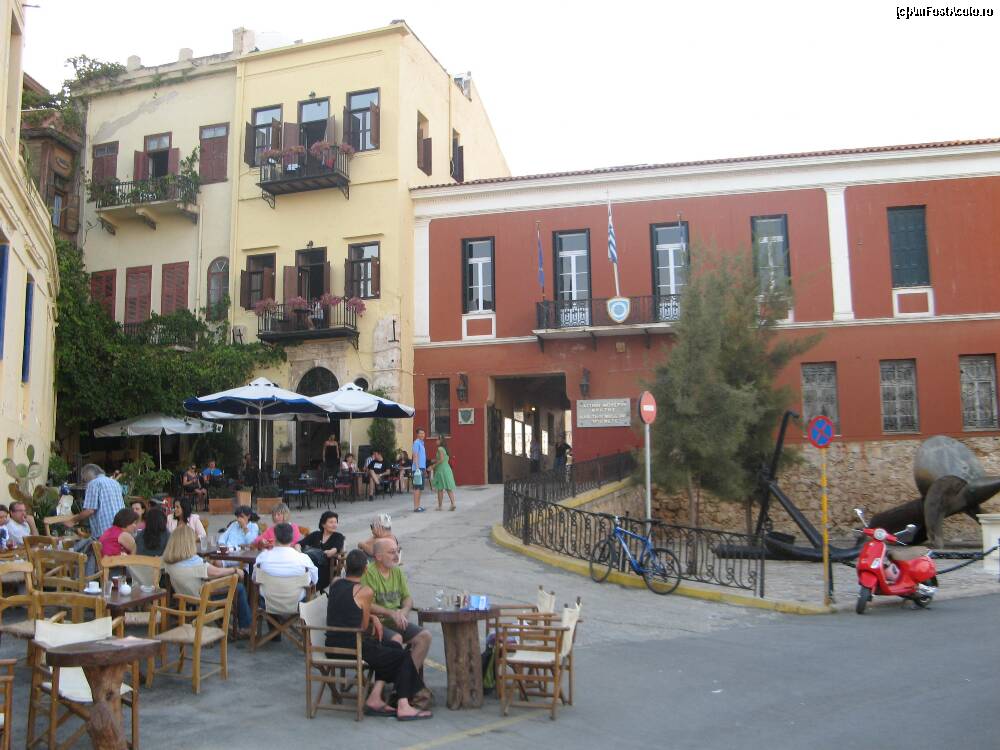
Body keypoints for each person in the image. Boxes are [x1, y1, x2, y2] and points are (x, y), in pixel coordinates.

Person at [327, 549, 432, 721]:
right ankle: (404, 705)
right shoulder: (364, 592)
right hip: (353, 646)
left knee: (392, 646)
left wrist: (373, 617)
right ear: (365, 569)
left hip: (331, 644)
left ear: (346, 567)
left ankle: (375, 698)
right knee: (403, 656)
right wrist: (372, 619)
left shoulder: (335, 583)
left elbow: (349, 610)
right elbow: (363, 627)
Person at [163, 525, 251, 636]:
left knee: (222, 584)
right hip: (203, 596)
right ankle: (245, 627)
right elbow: (216, 572)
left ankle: (220, 622)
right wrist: (235, 570)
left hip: (183, 594)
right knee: (239, 588)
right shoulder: (194, 561)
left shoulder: (168, 561)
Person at [360, 537, 431, 670]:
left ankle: (406, 677)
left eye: (398, 551)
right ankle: (398, 678)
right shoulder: (369, 573)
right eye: (392, 552)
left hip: (396, 621)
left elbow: (407, 598)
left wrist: (403, 612)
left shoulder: (397, 571)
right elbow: (367, 604)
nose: (397, 555)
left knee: (425, 636)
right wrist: (391, 613)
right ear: (379, 557)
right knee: (396, 639)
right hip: (374, 624)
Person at [254, 522, 318, 597]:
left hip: (268, 599)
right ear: (292, 538)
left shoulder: (263, 557)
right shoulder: (303, 558)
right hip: (296, 599)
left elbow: (255, 577)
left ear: (275, 538)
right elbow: (315, 579)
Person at [65, 464, 125, 541]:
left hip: (106, 531)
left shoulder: (93, 483)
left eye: (84, 479)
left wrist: (72, 521)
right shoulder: (115, 483)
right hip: (121, 528)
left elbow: (90, 510)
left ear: (87, 475)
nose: (85, 481)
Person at [300, 511, 344, 591]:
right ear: (323, 524)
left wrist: (330, 552)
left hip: (325, 569)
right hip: (309, 565)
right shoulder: (316, 534)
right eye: (331, 522)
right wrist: (298, 552)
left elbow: (335, 549)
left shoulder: (338, 536)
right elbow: (299, 544)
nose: (334, 525)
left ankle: (308, 589)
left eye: (335, 522)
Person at [431, 436, 457, 512]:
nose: (436, 441)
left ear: (441, 441)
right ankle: (453, 504)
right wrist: (435, 460)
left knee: (440, 488)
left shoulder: (440, 449)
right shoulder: (445, 449)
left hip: (441, 470)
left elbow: (441, 459)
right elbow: (444, 458)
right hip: (447, 469)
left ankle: (440, 506)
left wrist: (433, 466)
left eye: (437, 440)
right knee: (448, 488)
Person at [411, 427, 428, 513]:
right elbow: (415, 455)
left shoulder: (422, 443)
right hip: (417, 469)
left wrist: (424, 469)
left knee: (420, 488)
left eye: (423, 433)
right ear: (417, 434)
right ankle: (416, 507)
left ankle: (418, 506)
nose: (422, 435)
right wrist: (417, 468)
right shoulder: (416, 443)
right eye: (420, 433)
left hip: (422, 468)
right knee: (417, 488)